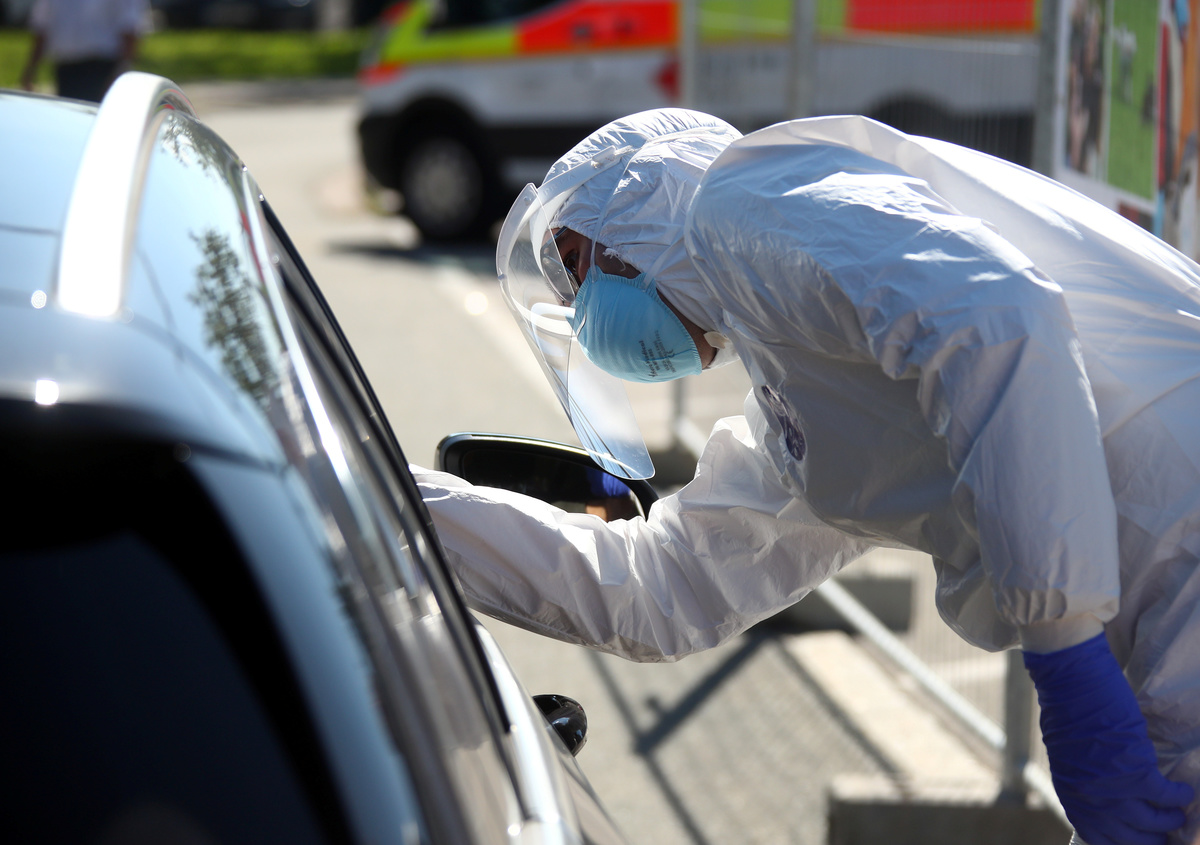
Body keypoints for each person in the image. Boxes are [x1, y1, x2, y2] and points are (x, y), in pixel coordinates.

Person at [412, 108, 1200, 845]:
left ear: (642, 203)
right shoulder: (805, 400)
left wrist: (1064, 648)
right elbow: (660, 590)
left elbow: (997, 316)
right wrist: (401, 511)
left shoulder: (741, 201)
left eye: (576, 261)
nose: (582, 306)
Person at [20, 0, 149, 104]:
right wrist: (30, 71)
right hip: (66, 67)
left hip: (103, 67)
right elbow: (42, 27)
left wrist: (121, 71)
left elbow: (129, 30)